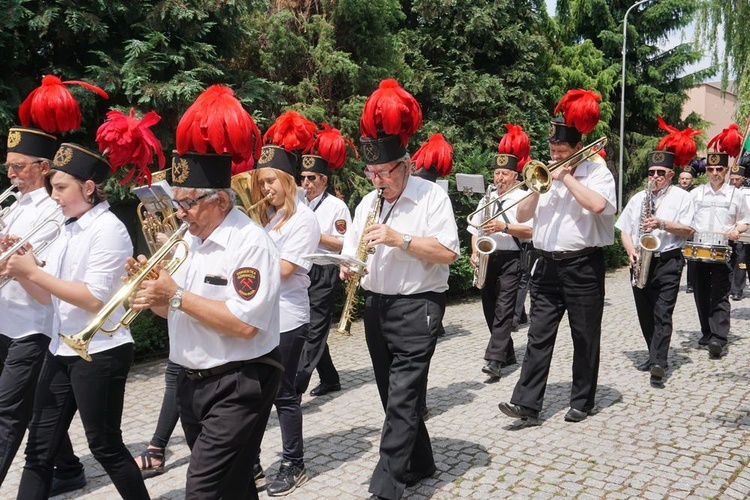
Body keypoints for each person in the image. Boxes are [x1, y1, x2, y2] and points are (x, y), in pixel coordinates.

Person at [131, 84, 283, 499]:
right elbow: (175, 313)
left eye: (187, 203)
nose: (179, 213)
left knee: (201, 489)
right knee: (233, 486)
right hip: (191, 383)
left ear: (219, 200)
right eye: (177, 203)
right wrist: (154, 297)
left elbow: (244, 325)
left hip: (238, 381)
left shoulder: (249, 243)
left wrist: (176, 295)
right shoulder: (189, 240)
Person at [6, 141, 150, 500]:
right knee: (38, 450)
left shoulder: (108, 229)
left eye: (60, 188)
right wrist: (22, 267)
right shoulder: (68, 228)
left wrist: (33, 274)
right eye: (53, 187)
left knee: (105, 447)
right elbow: (47, 297)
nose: (53, 196)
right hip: (61, 346)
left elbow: (92, 298)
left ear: (88, 187)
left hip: (101, 350)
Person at [342, 79, 459, 500]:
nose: (376, 180)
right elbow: (353, 250)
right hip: (377, 306)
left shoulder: (431, 198)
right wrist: (348, 267)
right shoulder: (367, 202)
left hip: (418, 306)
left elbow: (448, 253)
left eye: (382, 173)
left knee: (403, 397)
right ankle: (422, 461)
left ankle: (386, 487)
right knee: (392, 394)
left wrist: (401, 239)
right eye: (370, 173)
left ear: (405, 164)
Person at [498, 89, 616, 426]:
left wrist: (565, 176)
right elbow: (521, 215)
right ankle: (527, 404)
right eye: (551, 150)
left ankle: (582, 400)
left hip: (582, 265)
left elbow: (597, 206)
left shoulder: (597, 174)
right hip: (546, 264)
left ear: (577, 148)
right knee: (538, 334)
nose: (554, 155)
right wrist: (538, 188)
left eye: (560, 151)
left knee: (584, 335)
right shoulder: (543, 175)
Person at [251, 110, 320, 496]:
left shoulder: (302, 220)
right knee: (257, 393)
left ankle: (294, 463)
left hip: (289, 318)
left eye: (271, 180)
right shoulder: (268, 219)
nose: (265, 188)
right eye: (261, 181)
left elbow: (287, 269)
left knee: (283, 394)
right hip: (261, 316)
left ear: (288, 181)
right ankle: (255, 463)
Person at [615, 132, 696, 387]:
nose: (655, 177)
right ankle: (653, 353)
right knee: (645, 312)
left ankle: (659, 362)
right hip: (641, 260)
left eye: (661, 173)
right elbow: (625, 230)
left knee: (663, 312)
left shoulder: (682, 197)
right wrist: (630, 251)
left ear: (671, 175)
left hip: (669, 259)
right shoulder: (639, 198)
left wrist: (661, 223)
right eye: (651, 173)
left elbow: (688, 229)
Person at [467, 124, 532, 381]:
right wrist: (474, 251)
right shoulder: (487, 197)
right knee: (490, 309)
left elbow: (530, 231)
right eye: (496, 173)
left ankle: (494, 360)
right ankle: (509, 354)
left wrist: (504, 227)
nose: (499, 178)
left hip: (511, 259)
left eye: (505, 174)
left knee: (504, 310)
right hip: (487, 258)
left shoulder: (524, 196)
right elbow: (475, 229)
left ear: (515, 176)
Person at [295, 125, 353, 399]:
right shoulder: (299, 204)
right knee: (308, 327)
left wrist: (313, 234)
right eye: (303, 177)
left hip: (324, 270)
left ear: (324, 181)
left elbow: (345, 243)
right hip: (302, 269)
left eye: (311, 178)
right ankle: (330, 378)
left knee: (314, 330)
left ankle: (295, 387)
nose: (305, 183)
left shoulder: (336, 207)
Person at [689, 125, 749, 359]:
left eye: (719, 169)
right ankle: (706, 331)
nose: (714, 172)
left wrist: (737, 229)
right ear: (706, 171)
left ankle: (719, 337)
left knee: (720, 293)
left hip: (725, 250)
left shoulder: (737, 195)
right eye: (711, 168)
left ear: (726, 170)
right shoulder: (696, 194)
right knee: (701, 292)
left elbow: (745, 220)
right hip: (698, 248)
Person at [410, 132, 454, 418]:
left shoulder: (435, 198)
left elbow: (443, 249)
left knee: (418, 358)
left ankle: (419, 403)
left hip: (429, 284)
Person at [728, 163, 750, 300]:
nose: (734, 181)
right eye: (732, 178)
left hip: (745, 231)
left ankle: (737, 289)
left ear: (743, 178)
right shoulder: (726, 192)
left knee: (742, 259)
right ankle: (732, 287)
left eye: (737, 179)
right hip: (729, 231)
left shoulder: (748, 193)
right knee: (731, 260)